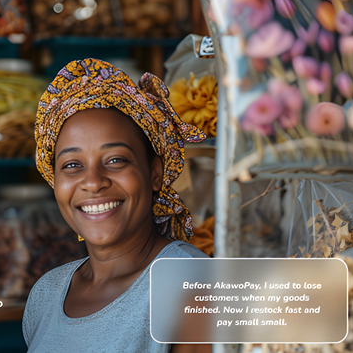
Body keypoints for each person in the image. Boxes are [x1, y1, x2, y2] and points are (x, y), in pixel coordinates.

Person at [23, 58, 212, 352]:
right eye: (72, 165)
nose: (93, 182)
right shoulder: (46, 295)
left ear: (154, 174)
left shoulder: (191, 282)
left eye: (115, 160)